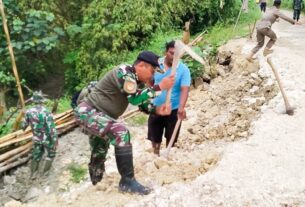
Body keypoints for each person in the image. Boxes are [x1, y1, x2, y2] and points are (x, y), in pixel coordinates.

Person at [74, 51, 174, 195]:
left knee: (99, 151)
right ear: (141, 65)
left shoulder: (136, 80)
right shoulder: (124, 72)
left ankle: (96, 187)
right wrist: (158, 87)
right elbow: (134, 99)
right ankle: (127, 181)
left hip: (102, 116)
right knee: (121, 132)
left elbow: (142, 104)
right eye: (152, 71)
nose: (152, 76)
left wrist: (158, 110)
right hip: (87, 112)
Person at [147, 41, 191, 156]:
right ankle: (156, 155)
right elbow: (149, 81)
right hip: (156, 107)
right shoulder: (156, 65)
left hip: (174, 109)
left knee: (171, 138)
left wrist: (181, 107)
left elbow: (184, 89)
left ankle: (167, 157)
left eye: (177, 54)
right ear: (166, 52)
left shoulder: (183, 69)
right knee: (155, 137)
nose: (174, 57)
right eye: (172, 53)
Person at [22, 91, 58, 179]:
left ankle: (33, 174)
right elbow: (51, 129)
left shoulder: (29, 112)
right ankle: (45, 174)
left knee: (36, 154)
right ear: (42, 101)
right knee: (51, 154)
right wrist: (54, 141)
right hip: (47, 138)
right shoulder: (46, 112)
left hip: (36, 138)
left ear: (33, 101)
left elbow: (23, 126)